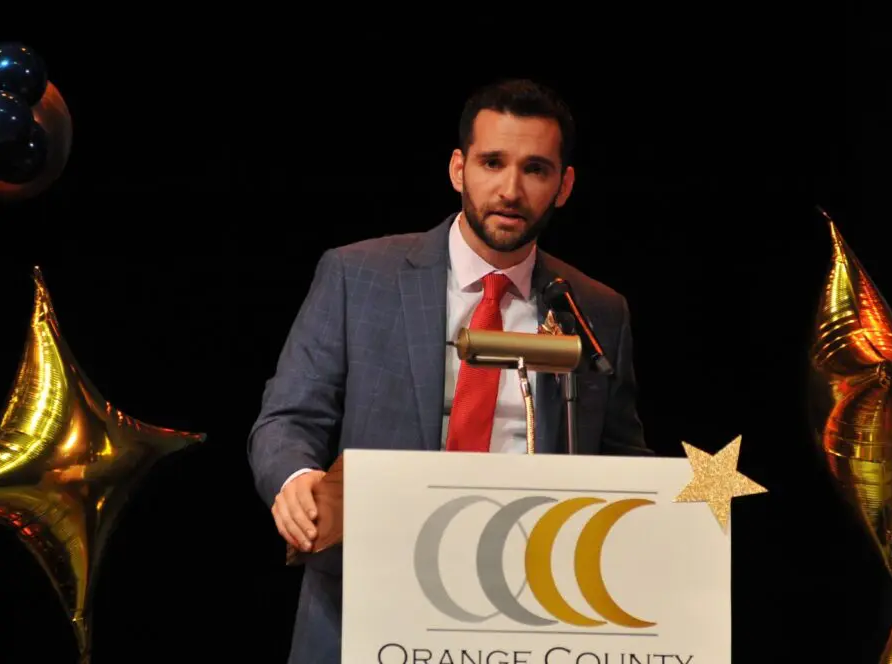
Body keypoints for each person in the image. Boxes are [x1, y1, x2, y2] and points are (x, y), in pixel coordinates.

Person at [247, 77, 653, 663]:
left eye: (535, 169)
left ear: (564, 186)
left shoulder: (597, 310)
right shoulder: (358, 276)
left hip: (530, 610)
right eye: (492, 163)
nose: (510, 189)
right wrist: (294, 480)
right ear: (458, 169)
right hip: (367, 598)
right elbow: (287, 418)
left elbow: (623, 461)